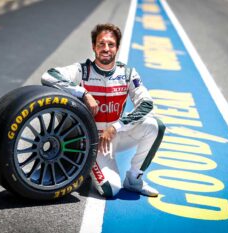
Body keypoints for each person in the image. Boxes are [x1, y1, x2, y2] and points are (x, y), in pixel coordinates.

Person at [41, 23, 165, 198]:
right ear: (93, 47)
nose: (106, 48)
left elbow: (147, 104)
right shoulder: (82, 70)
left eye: (111, 44)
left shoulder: (128, 73)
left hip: (117, 135)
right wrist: (83, 93)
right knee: (110, 190)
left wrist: (115, 127)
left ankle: (134, 179)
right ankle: (85, 164)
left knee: (154, 126)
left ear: (117, 48)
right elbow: (48, 76)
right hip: (94, 143)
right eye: (101, 44)